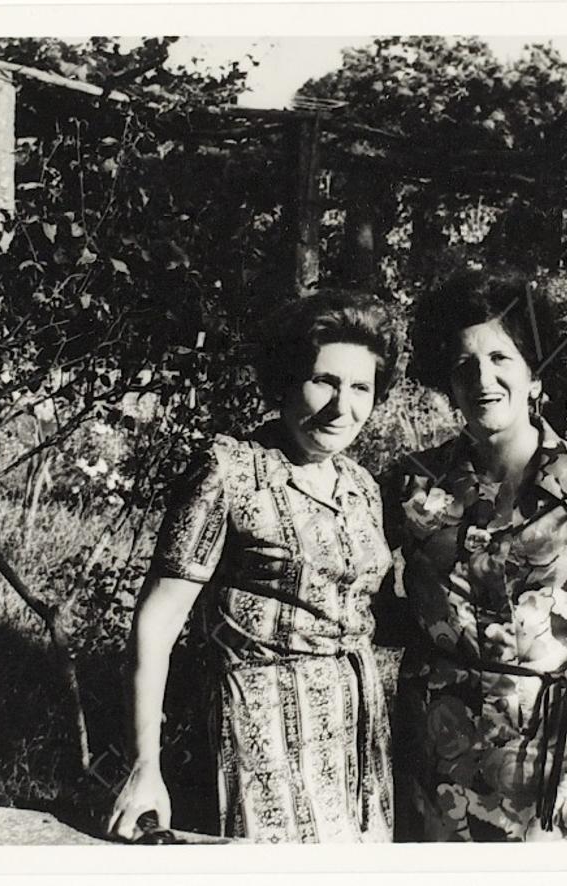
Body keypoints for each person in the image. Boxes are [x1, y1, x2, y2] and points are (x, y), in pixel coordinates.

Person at [106, 291, 401, 844]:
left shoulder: (361, 487)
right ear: (285, 380)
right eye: (324, 381)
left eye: (361, 387)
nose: (343, 407)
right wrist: (144, 766)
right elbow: (157, 622)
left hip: (358, 740)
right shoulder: (230, 471)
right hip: (263, 734)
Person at [383, 269, 567, 842]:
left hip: (560, 747)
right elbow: (360, 589)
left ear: (534, 374)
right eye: (463, 365)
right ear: (447, 383)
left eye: (501, 358)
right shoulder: (410, 484)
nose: (482, 378)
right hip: (438, 745)